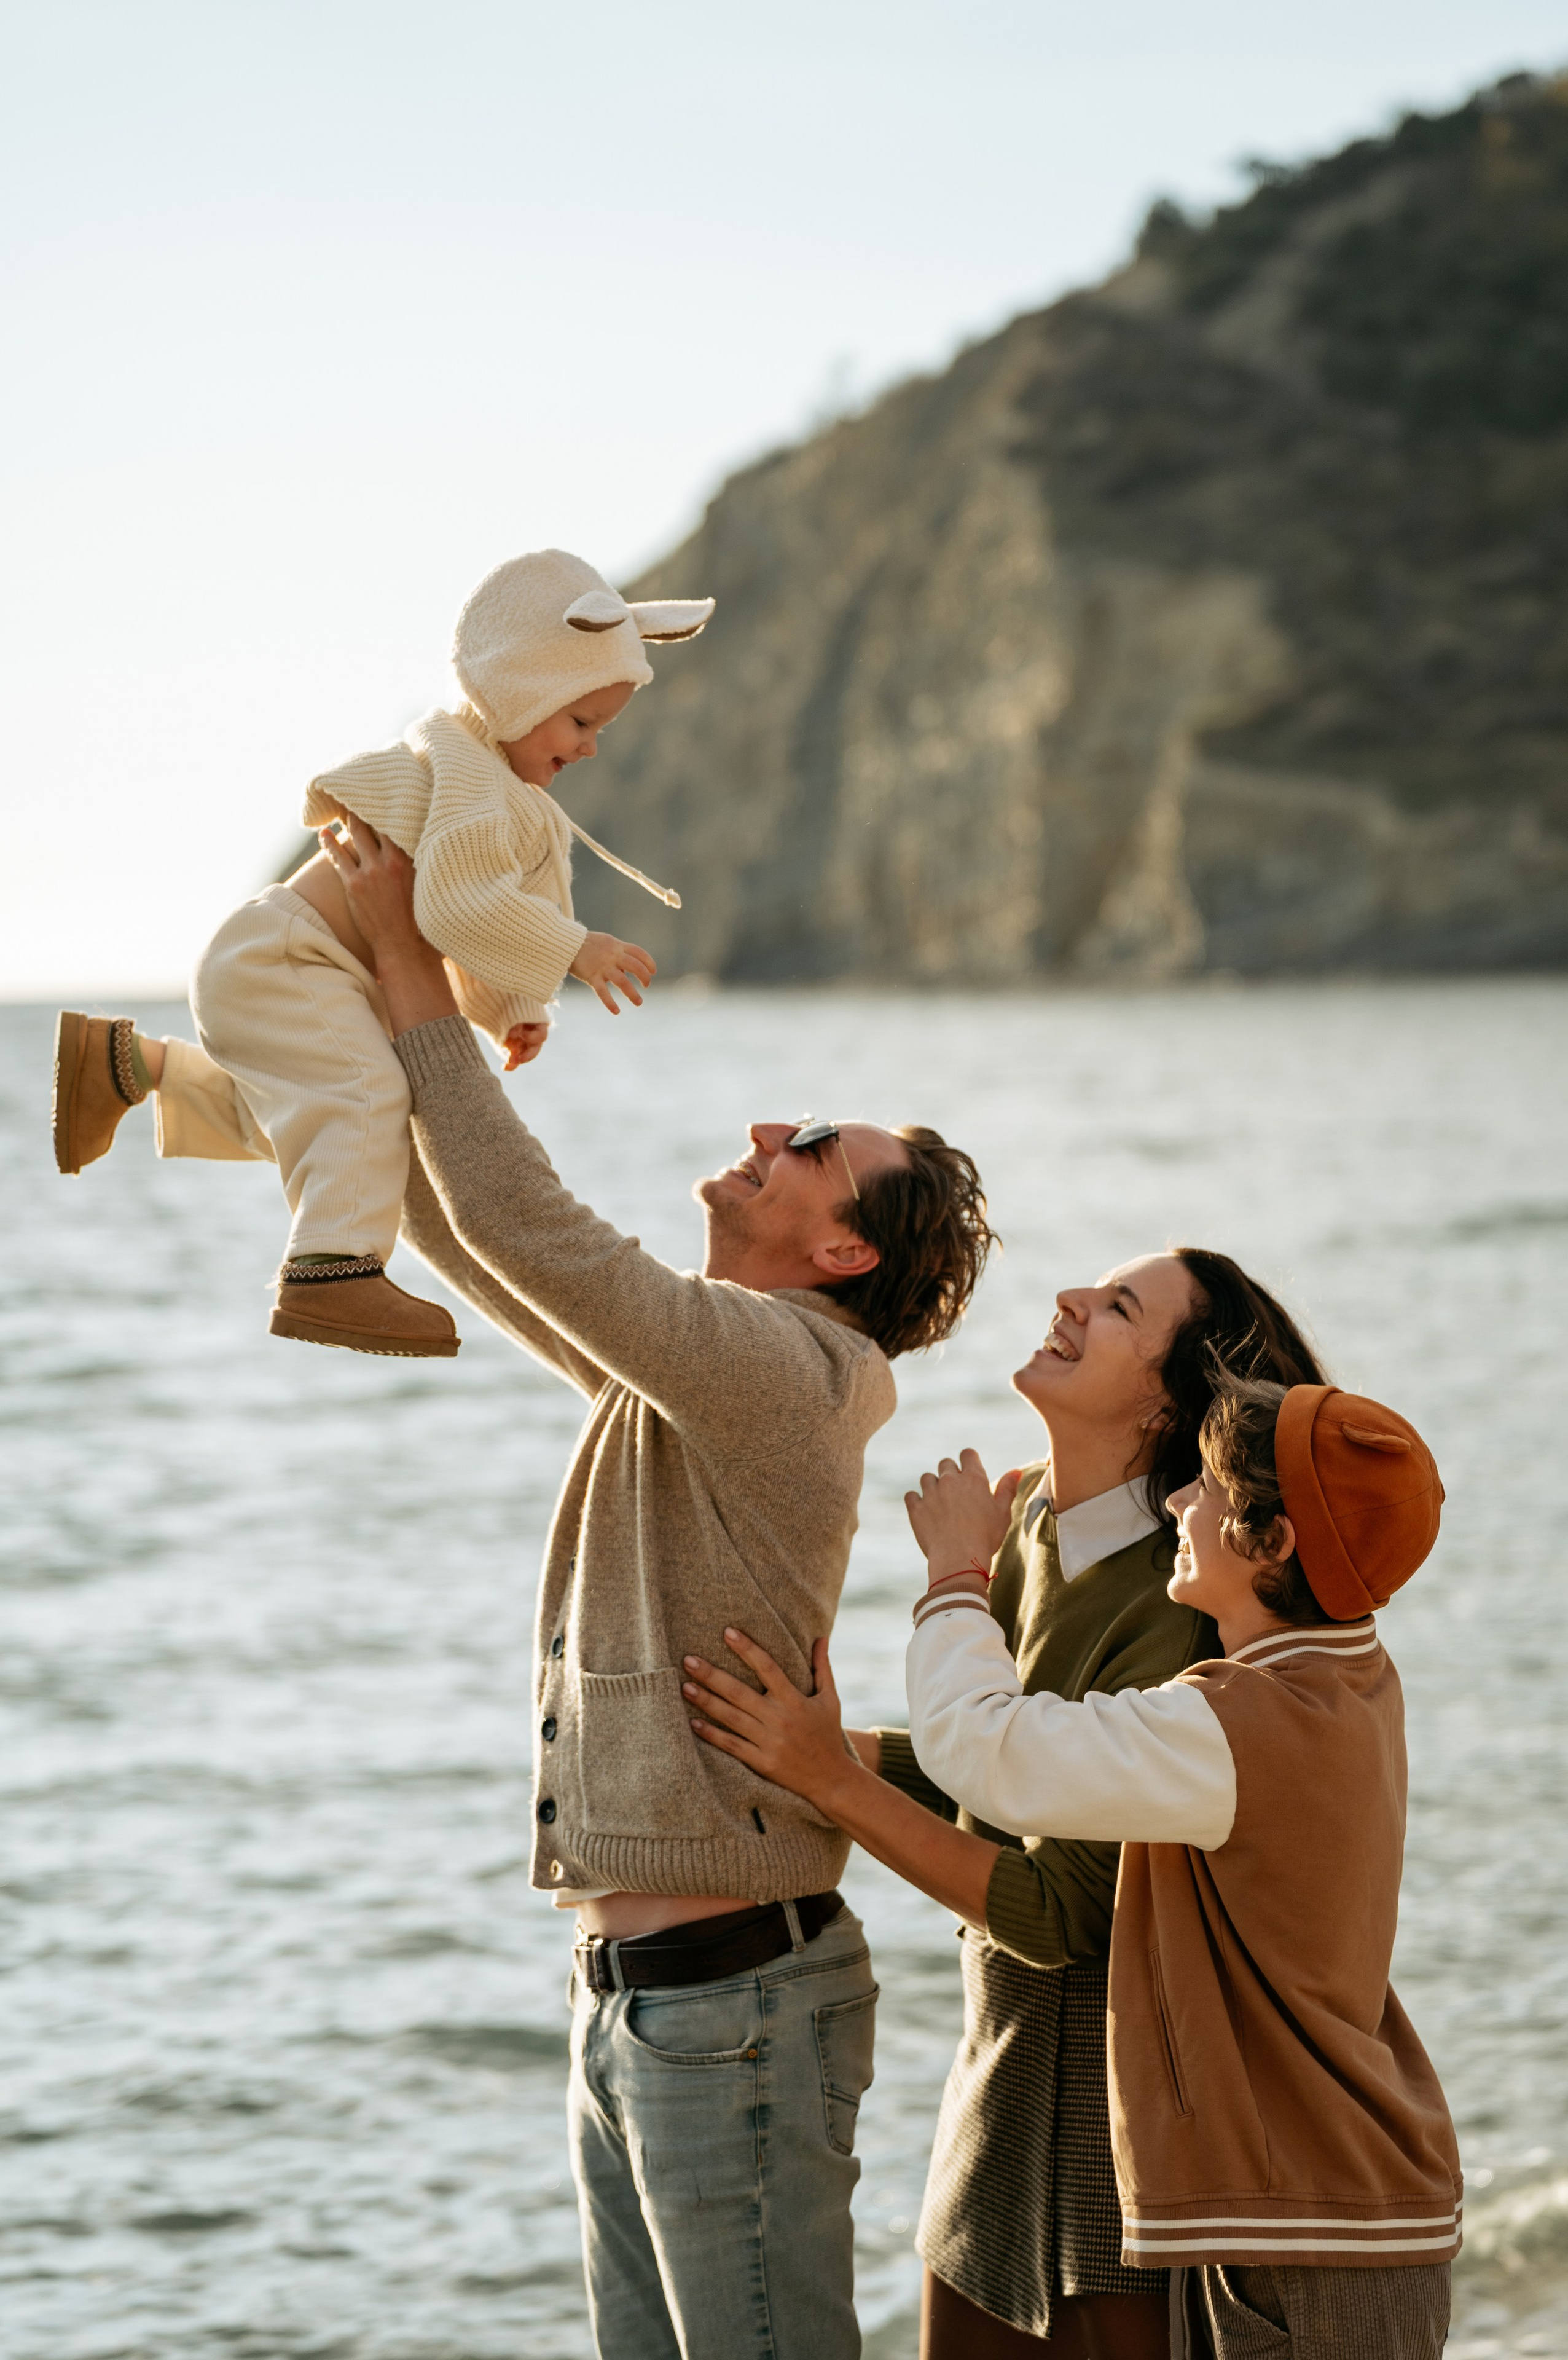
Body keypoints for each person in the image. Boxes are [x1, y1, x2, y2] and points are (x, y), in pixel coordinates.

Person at [303, 811, 994, 2360]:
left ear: (840, 1256)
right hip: (645, 2001)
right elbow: (458, 1231)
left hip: (730, 2010)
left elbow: (520, 1223)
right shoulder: (708, 1373)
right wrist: (381, 1003)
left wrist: (410, 956)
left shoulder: (786, 1372)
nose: (767, 1130)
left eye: (810, 1148)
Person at [683, 1252, 1327, 2359]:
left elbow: (1055, 1908)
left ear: (1166, 1401)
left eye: (1119, 1308)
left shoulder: (1179, 1599)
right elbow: (999, 1778)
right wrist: (816, 1746)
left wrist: (835, 1775)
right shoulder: (1025, 1518)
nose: (1071, 1299)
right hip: (995, 2082)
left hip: (1118, 2125)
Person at [898, 1373, 1460, 2359]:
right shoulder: (1351, 1678)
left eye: (1205, 1487)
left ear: (1274, 1542)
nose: (1175, 1505)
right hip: (1325, 2217)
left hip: (1305, 2241)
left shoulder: (1237, 1728)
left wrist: (955, 1577)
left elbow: (988, 1753)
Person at [50, 547, 713, 1358]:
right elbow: (455, 907)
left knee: (317, 1114)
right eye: (580, 723)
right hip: (285, 958)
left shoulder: (502, 793)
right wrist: (577, 950)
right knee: (367, 1097)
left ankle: (129, 1065)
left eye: (600, 730)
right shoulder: (467, 775)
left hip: (293, 963)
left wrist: (513, 1007)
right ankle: (332, 1272)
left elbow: (486, 909)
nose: (590, 749)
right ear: (521, 690)